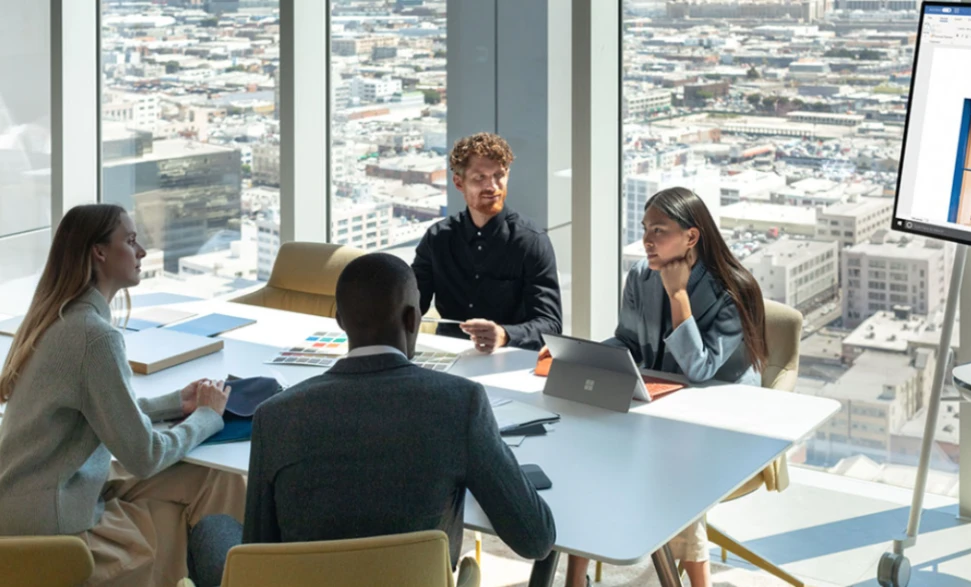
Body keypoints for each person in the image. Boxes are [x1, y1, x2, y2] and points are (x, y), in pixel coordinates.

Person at [186, 252, 556, 587]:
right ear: (412, 318)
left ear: (339, 320)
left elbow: (260, 554)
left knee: (213, 529)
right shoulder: (461, 403)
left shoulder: (276, 415)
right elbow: (535, 539)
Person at [0, 204, 245, 587]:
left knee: (217, 479)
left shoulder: (61, 317)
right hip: (56, 524)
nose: (142, 252)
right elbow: (145, 455)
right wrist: (206, 418)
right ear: (99, 252)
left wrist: (174, 402)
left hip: (31, 497)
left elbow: (92, 409)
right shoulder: (94, 336)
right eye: (130, 241)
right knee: (190, 503)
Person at [563, 187, 768, 587]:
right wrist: (584, 357)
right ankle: (575, 578)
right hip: (662, 413)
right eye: (644, 229)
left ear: (691, 237)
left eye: (659, 230)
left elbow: (699, 368)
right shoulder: (641, 276)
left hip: (720, 426)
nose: (647, 240)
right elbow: (627, 341)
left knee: (671, 473)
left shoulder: (733, 290)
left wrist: (678, 295)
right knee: (586, 456)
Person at [412, 132, 562, 352]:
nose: (492, 186)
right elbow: (410, 305)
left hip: (509, 358)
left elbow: (551, 325)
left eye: (498, 175)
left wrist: (504, 334)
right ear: (458, 183)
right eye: (479, 177)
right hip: (448, 354)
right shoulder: (437, 238)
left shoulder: (532, 242)